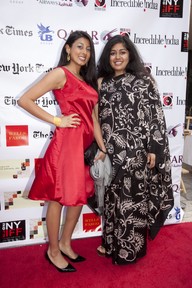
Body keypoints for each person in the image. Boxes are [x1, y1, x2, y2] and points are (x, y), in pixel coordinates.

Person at [18, 30, 107, 272]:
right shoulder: (60, 74)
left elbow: (94, 119)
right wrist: (58, 121)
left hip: (85, 148)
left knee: (77, 197)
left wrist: (102, 147)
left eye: (88, 49)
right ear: (68, 48)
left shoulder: (88, 80)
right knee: (58, 197)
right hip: (67, 145)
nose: (84, 52)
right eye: (79, 46)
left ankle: (66, 243)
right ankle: (53, 250)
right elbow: (24, 100)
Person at [96, 34, 174, 265]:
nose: (117, 57)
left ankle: (130, 251)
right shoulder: (103, 82)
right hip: (111, 153)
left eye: (122, 52)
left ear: (130, 54)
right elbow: (97, 117)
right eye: (113, 53)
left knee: (134, 201)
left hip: (137, 152)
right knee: (113, 200)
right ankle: (111, 244)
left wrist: (154, 149)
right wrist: (100, 147)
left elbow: (155, 116)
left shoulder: (143, 80)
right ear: (107, 57)